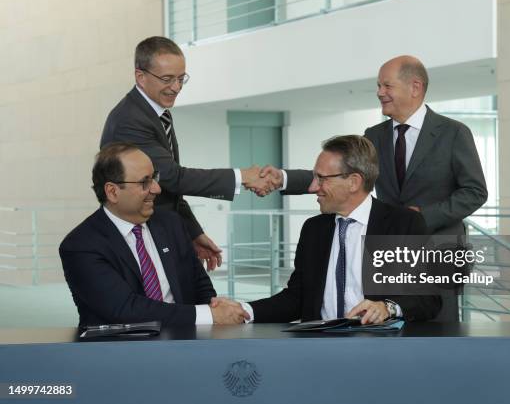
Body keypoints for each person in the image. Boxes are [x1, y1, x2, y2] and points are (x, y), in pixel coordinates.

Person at [259, 56, 488, 320]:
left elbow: (475, 191)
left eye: (386, 86)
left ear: (415, 87)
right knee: (383, 319)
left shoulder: (453, 132)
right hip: (385, 247)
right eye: (379, 86)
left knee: (436, 327)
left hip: (436, 249)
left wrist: (420, 217)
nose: (380, 93)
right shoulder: (375, 134)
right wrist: (283, 178)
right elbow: (343, 172)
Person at [100, 36, 274, 271]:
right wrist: (242, 176)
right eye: (167, 79)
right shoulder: (130, 120)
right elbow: (173, 177)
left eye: (181, 79)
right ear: (140, 76)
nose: (176, 87)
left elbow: (171, 188)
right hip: (140, 237)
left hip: (163, 230)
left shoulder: (158, 113)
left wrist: (193, 232)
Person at [225, 135, 441, 323]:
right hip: (319, 352)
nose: (312, 187)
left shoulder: (403, 225)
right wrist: (244, 311)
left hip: (379, 351)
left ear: (354, 182)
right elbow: (297, 299)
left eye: (321, 178)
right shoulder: (313, 230)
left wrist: (387, 308)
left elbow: (428, 299)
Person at [59, 143, 250, 327]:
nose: (156, 189)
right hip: (119, 354)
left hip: (186, 345)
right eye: (145, 182)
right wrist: (209, 314)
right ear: (112, 191)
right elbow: (125, 309)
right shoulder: (81, 245)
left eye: (154, 177)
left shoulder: (171, 224)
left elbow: (200, 285)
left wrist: (215, 312)